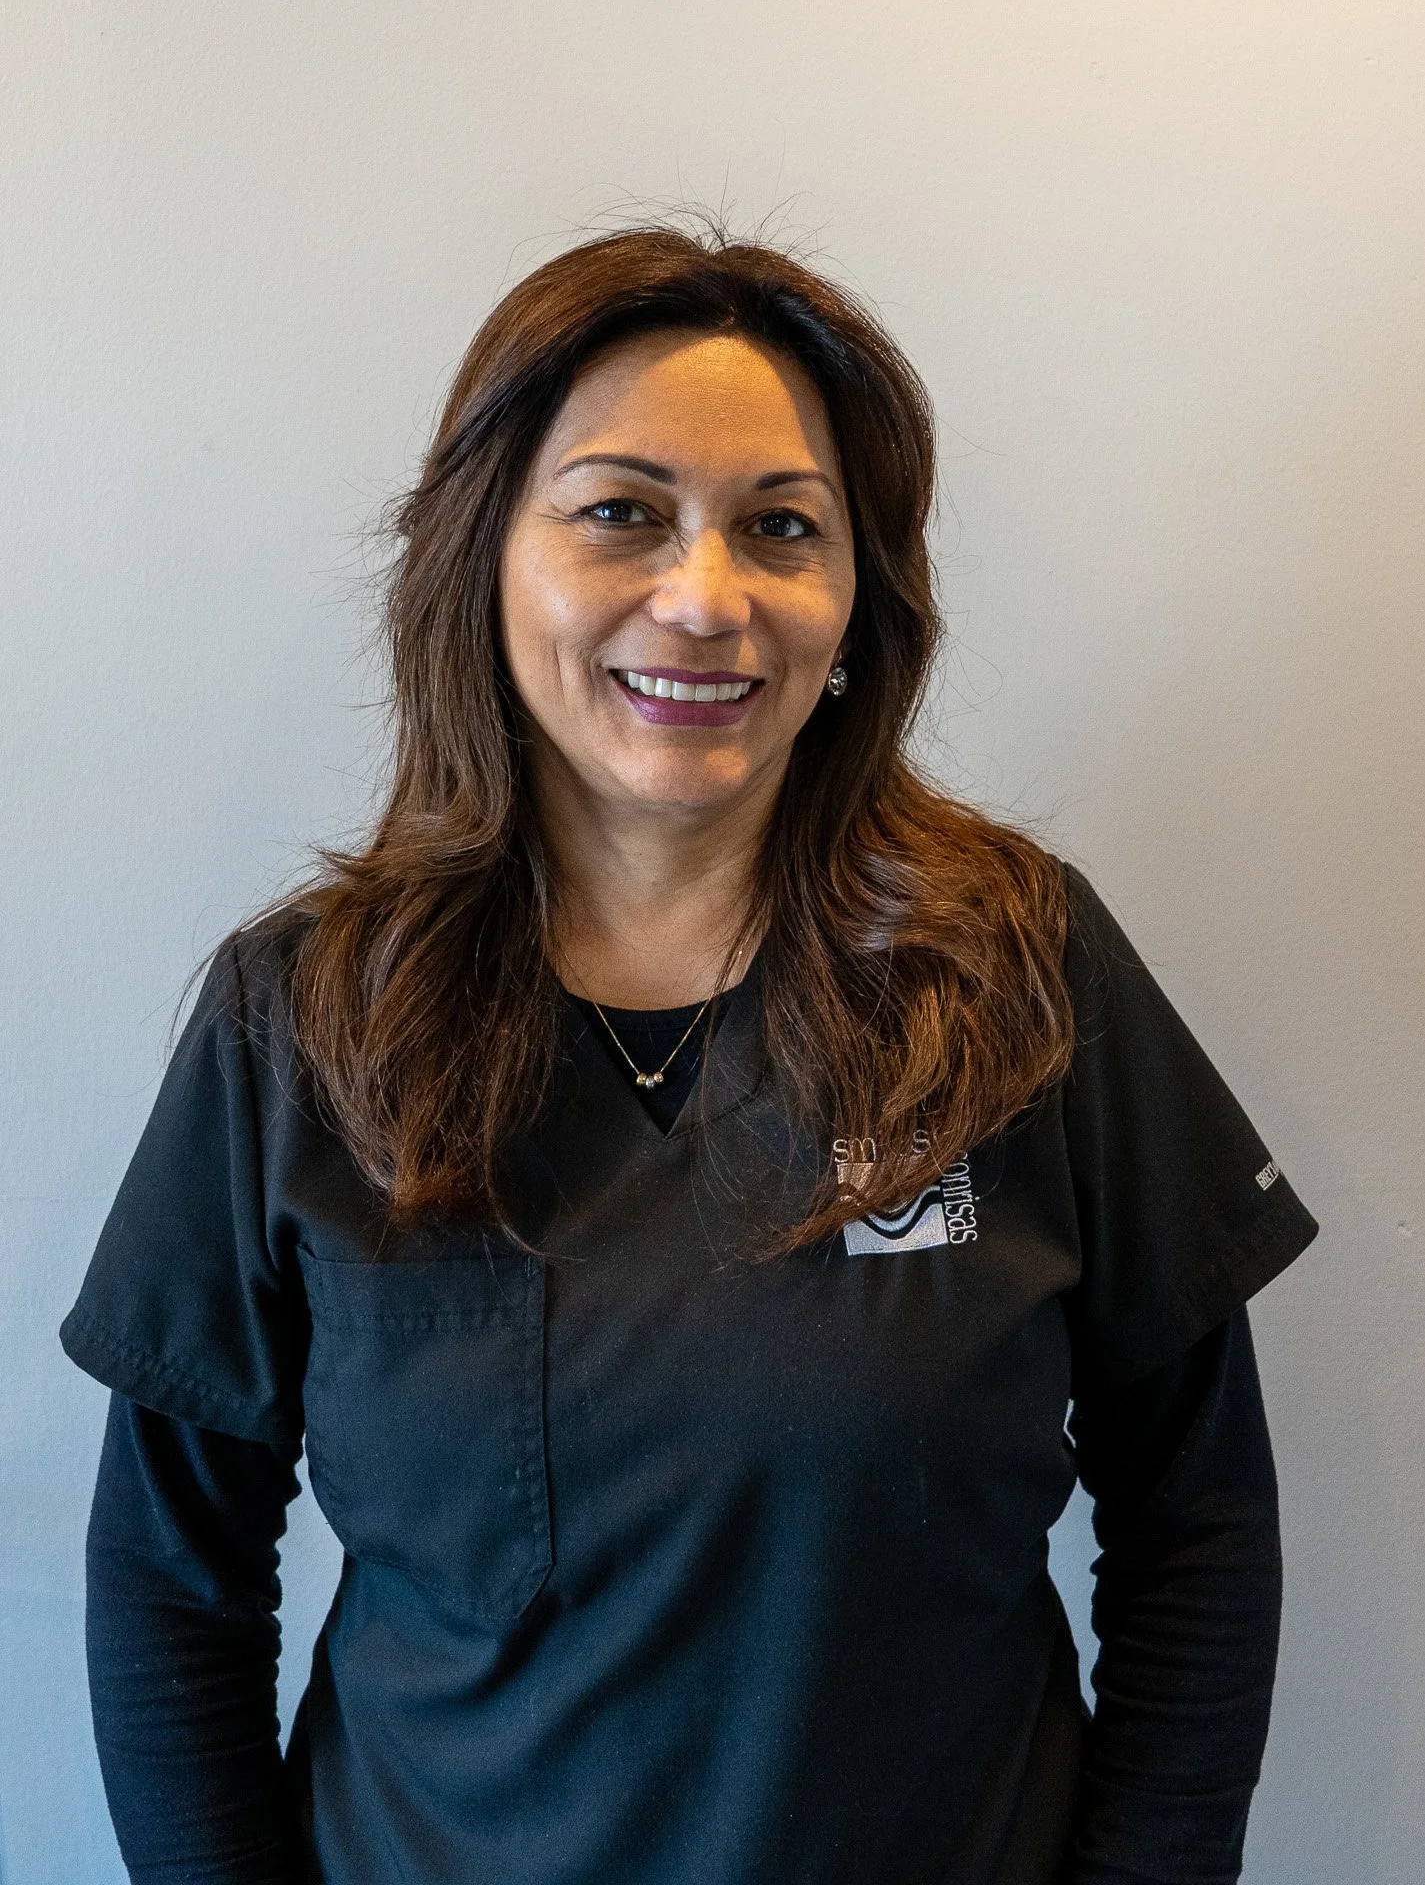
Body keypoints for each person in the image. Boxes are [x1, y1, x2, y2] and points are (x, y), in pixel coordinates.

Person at [62, 225, 1317, 1885]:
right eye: (621, 513)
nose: (707, 597)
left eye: (782, 528)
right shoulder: (301, 1022)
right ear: (486, 559)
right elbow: (169, 1580)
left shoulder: (1021, 969)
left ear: (858, 594)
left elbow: (1200, 1522)